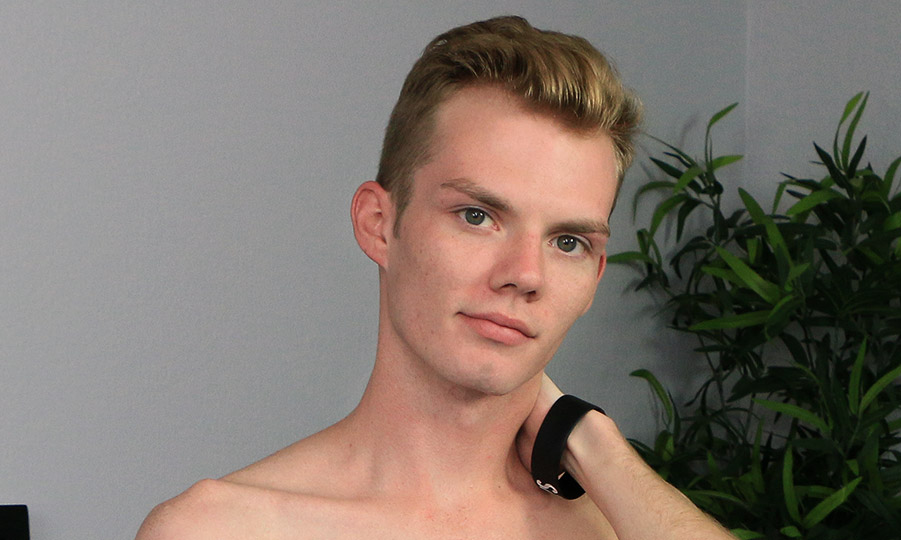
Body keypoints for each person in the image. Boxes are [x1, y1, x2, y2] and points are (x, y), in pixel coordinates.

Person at [136, 16, 734, 540]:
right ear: (379, 224)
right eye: (477, 216)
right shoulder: (222, 529)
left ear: (595, 277)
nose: (525, 274)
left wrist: (594, 447)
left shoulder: (618, 528)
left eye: (567, 242)